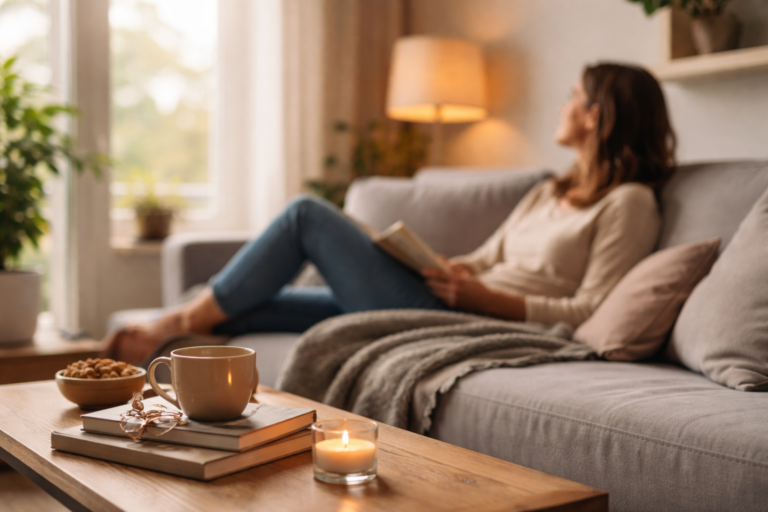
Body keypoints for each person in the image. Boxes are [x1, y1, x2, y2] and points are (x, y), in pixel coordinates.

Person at [107, 62, 676, 364]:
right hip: (451, 297)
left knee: (306, 214)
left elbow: (591, 308)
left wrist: (486, 299)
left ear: (597, 116)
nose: (563, 105)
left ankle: (177, 323)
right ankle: (176, 342)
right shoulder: (551, 190)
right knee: (255, 308)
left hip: (472, 321)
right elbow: (486, 257)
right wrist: (450, 266)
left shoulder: (630, 203)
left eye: (573, 97)